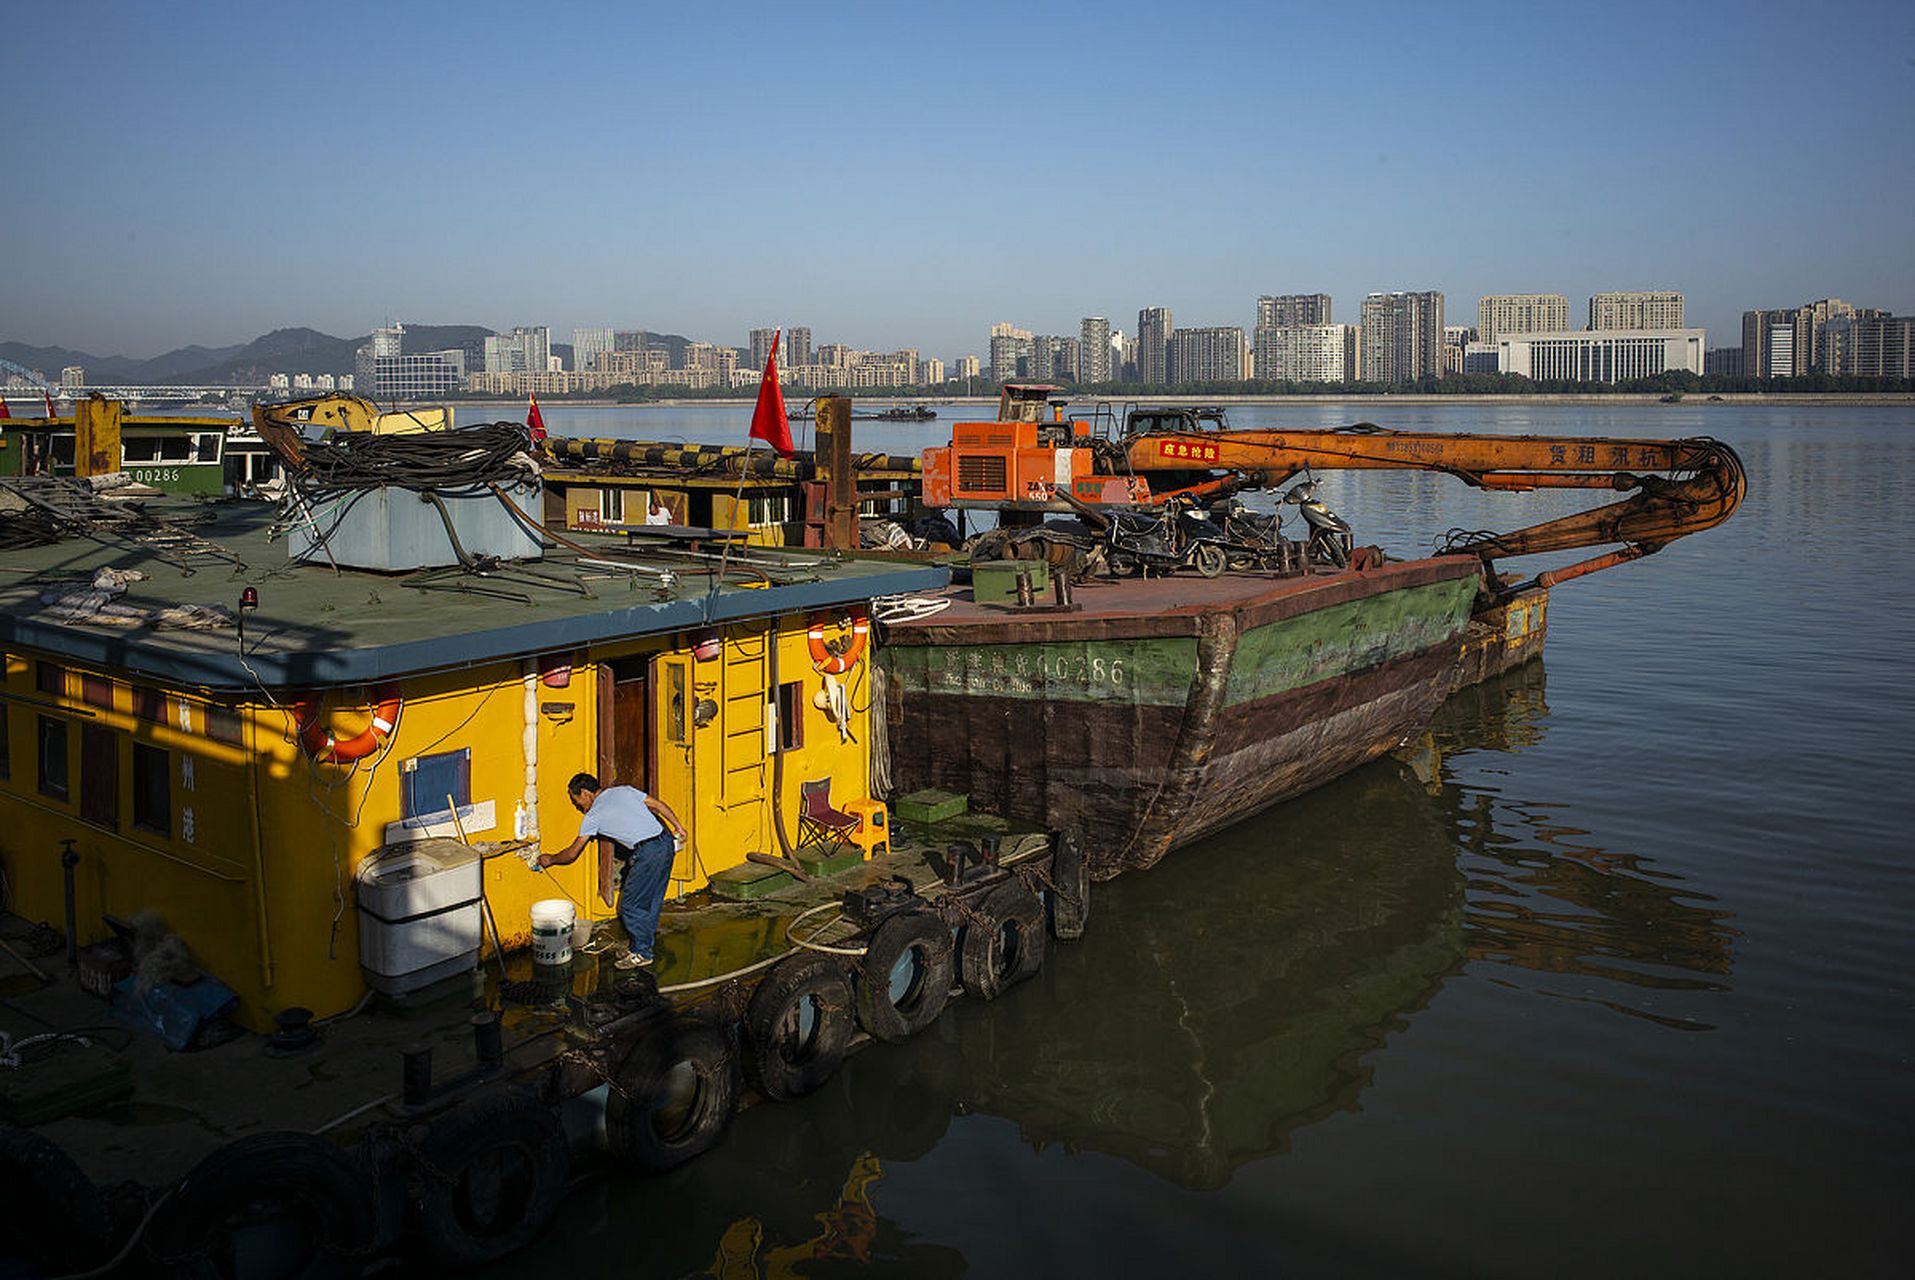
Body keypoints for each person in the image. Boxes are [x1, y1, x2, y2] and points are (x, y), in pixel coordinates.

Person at [538, 773, 686, 967]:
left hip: (648, 853)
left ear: (585, 793)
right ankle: (639, 947)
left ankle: (642, 953)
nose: (579, 807)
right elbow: (657, 804)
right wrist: (678, 827)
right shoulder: (623, 790)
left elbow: (572, 853)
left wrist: (550, 859)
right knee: (651, 901)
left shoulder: (593, 815)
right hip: (666, 843)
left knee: (630, 906)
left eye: (577, 801)